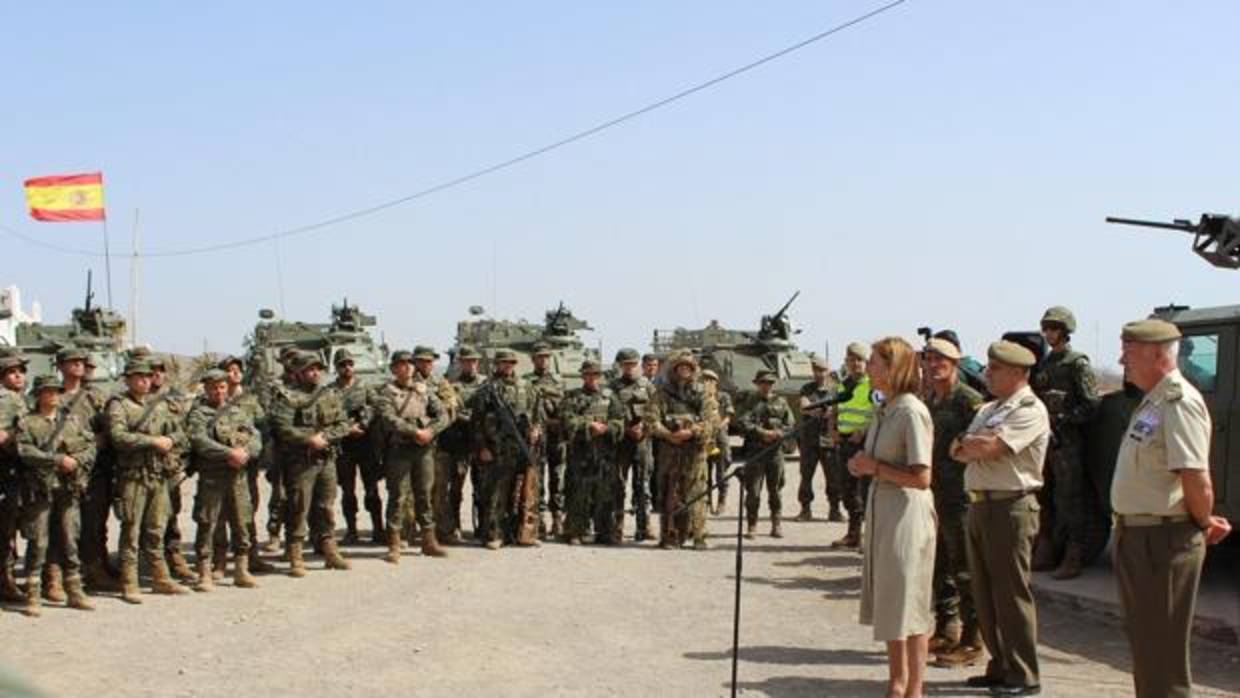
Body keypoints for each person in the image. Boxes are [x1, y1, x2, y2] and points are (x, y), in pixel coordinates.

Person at [1112, 318, 1232, 698]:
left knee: (1161, 651)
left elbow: (1195, 476)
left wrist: (1202, 520)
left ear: (1157, 354)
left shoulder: (1179, 402)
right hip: (1141, 535)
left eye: (1129, 352)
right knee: (1148, 647)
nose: (1121, 360)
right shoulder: (1156, 400)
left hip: (1163, 538)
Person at [950, 340, 1049, 696]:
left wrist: (971, 444)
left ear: (1019, 373)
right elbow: (957, 448)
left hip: (1011, 507)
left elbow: (990, 449)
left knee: (1010, 593)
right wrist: (969, 443)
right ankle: (1000, 665)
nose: (987, 374)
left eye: (996, 369)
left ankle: (1024, 674)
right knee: (985, 592)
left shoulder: (1030, 409)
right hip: (980, 504)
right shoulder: (991, 408)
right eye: (989, 368)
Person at [849, 337, 936, 698]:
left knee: (910, 604)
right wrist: (862, 466)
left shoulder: (911, 411)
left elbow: (921, 476)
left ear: (893, 367)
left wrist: (875, 468)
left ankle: (915, 688)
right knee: (889, 601)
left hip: (906, 513)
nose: (868, 368)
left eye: (874, 362)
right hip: (884, 509)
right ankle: (895, 683)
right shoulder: (886, 408)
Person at [921, 338, 985, 667]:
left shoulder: (969, 400)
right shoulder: (930, 400)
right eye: (928, 359)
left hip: (960, 496)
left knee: (964, 567)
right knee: (939, 564)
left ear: (955, 363)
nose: (933, 365)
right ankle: (947, 628)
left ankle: (974, 640)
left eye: (940, 360)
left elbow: (978, 445)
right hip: (934, 494)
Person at [106, 359, 191, 602]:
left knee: (157, 529)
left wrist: (171, 441)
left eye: (148, 376)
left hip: (158, 475)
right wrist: (153, 441)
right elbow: (118, 436)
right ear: (128, 379)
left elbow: (179, 431)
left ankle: (160, 577)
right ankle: (129, 581)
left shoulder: (161, 405)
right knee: (131, 529)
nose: (145, 380)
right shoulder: (119, 405)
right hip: (133, 477)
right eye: (139, 376)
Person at [16, 374, 97, 615]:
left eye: (55, 391)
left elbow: (90, 445)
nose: (52, 395)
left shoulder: (72, 421)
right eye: (47, 391)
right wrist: (57, 459)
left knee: (70, 539)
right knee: (38, 541)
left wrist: (78, 460)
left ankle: (74, 589)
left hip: (68, 488)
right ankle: (33, 594)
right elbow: (25, 451)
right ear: (38, 394)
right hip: (40, 491)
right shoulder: (27, 422)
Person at [1031, 306, 1100, 579]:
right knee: (1044, 495)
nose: (1049, 334)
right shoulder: (1046, 364)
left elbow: (1092, 404)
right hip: (1045, 438)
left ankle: (1074, 556)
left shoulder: (1077, 363)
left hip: (1067, 441)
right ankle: (1047, 548)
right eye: (1046, 328)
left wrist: (1066, 419)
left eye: (1054, 328)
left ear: (1065, 330)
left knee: (1070, 498)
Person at [269, 351, 351, 576]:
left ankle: (329, 549)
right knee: (299, 506)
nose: (315, 373)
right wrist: (308, 439)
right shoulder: (287, 396)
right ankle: (295, 553)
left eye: (318, 369)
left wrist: (326, 437)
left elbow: (343, 423)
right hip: (300, 461)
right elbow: (281, 427)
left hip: (326, 459)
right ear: (299, 373)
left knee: (326, 505)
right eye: (310, 369)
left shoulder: (329, 394)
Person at [186, 369, 262, 591]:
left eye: (221, 386)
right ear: (206, 389)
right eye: (213, 387)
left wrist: (246, 452)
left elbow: (255, 436)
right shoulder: (199, 414)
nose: (218, 391)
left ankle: (241, 569)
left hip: (237, 477)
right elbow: (199, 440)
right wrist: (229, 454)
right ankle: (204, 573)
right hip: (212, 477)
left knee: (242, 521)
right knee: (207, 522)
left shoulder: (238, 412)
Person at [376, 350, 450, 562]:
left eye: (409, 364)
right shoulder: (386, 393)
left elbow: (443, 414)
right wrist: (415, 432)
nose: (407, 367)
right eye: (401, 364)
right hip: (399, 451)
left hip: (424, 450)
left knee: (424, 495)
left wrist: (431, 432)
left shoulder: (423, 390)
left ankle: (428, 541)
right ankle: (394, 544)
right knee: (398, 496)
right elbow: (389, 419)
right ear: (393, 368)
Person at [57, 348, 117, 593]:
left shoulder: (95, 397)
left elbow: (110, 428)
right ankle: (61, 574)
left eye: (82, 362)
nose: (79, 366)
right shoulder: (50, 395)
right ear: (60, 366)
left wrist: (96, 442)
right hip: (62, 470)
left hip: (94, 470)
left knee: (94, 523)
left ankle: (95, 569)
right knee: (63, 526)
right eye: (73, 362)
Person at [471, 349, 544, 550]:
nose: (507, 366)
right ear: (497, 364)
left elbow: (537, 414)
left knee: (525, 492)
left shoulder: (526, 387)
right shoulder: (487, 389)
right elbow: (476, 423)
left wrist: (537, 429)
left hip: (522, 448)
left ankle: (523, 533)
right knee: (496, 492)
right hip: (496, 449)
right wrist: (483, 447)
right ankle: (494, 534)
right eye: (503, 362)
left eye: (511, 362)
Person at [646, 352, 716, 550]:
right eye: (680, 367)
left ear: (694, 370)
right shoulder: (662, 393)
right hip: (669, 452)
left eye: (688, 367)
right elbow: (651, 419)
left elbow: (710, 421)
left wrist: (691, 431)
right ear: (674, 369)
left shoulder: (703, 393)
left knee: (697, 493)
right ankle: (670, 535)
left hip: (694, 452)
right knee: (670, 493)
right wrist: (669, 435)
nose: (684, 370)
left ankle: (698, 535)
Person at [560, 360, 624, 544]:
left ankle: (604, 531)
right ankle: (575, 531)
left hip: (604, 454)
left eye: (595, 375)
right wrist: (588, 426)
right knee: (578, 492)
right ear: (583, 376)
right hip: (580, 454)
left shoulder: (611, 397)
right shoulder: (572, 397)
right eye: (588, 375)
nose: (592, 378)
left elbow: (620, 420)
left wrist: (606, 428)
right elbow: (567, 420)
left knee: (604, 493)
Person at [435, 346, 485, 544]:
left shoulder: (486, 384)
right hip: (459, 444)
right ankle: (453, 526)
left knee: (482, 488)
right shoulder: (451, 386)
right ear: (460, 363)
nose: (470, 364)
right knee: (455, 488)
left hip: (482, 443)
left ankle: (483, 526)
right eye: (466, 361)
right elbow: (450, 410)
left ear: (477, 363)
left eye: (473, 361)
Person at [331, 349, 381, 545]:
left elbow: (377, 406)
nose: (347, 368)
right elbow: (328, 414)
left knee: (372, 489)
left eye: (350, 364)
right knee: (347, 491)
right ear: (336, 368)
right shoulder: (330, 390)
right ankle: (351, 530)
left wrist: (364, 423)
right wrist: (347, 428)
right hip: (344, 445)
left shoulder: (365, 387)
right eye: (342, 365)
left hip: (365, 443)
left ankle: (378, 529)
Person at [832, 342, 877, 549]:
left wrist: (865, 431)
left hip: (865, 444)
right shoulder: (842, 385)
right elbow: (836, 409)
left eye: (859, 360)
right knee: (846, 490)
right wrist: (832, 428)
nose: (855, 363)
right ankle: (853, 534)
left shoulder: (873, 385)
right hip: (845, 442)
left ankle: (869, 538)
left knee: (866, 492)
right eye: (851, 360)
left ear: (866, 362)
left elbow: (880, 412)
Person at [738, 370, 794, 539]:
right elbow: (742, 422)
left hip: (775, 452)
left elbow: (790, 424)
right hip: (755, 452)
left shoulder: (781, 402)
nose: (766, 386)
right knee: (753, 491)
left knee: (775, 490)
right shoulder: (750, 401)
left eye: (769, 382)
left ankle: (776, 524)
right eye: (762, 382)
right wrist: (762, 432)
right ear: (757, 384)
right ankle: (752, 525)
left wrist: (778, 433)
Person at [610, 348, 656, 541]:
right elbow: (607, 414)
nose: (629, 368)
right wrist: (625, 428)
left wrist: (644, 425)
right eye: (625, 365)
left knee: (642, 485)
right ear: (620, 366)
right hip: (621, 442)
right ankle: (616, 527)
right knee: (618, 485)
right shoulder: (612, 387)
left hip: (643, 442)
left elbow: (656, 411)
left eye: (632, 364)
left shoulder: (648, 386)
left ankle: (644, 526)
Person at [526, 343, 566, 538]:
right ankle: (539, 520)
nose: (543, 360)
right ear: (533, 360)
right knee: (537, 477)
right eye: (539, 357)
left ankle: (557, 518)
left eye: (546, 357)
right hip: (537, 436)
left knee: (557, 477)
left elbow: (566, 406)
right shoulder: (526, 382)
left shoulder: (559, 381)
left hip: (556, 435)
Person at [797, 356, 841, 522]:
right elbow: (803, 405)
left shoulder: (835, 389)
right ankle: (805, 509)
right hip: (809, 439)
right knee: (806, 475)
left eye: (822, 370)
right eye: (816, 370)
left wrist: (832, 411)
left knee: (833, 476)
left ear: (828, 371)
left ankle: (835, 509)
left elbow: (838, 408)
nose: (819, 373)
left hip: (829, 439)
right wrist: (814, 411)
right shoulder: (807, 388)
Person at [0, 353, 28, 603]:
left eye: (21, 371)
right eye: (12, 372)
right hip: (6, 469)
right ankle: (6, 582)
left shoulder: (21, 399)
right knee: (6, 528)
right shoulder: (5, 399)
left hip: (17, 470)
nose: (18, 375)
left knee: (11, 526)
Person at [700, 370, 734, 517]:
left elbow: (728, 416)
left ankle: (721, 500)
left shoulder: (723, 396)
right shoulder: (699, 397)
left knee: (721, 471)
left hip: (719, 437)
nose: (708, 382)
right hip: (705, 437)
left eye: (711, 380)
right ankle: (706, 501)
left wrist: (718, 425)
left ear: (716, 382)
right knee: (704, 471)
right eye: (705, 380)